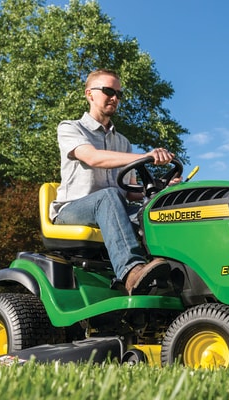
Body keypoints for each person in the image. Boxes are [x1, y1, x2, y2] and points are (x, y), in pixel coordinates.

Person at [49, 69, 177, 295]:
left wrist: (161, 189)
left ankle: (172, 276)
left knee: (154, 212)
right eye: (108, 91)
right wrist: (146, 156)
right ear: (89, 94)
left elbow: (130, 192)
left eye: (119, 94)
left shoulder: (123, 142)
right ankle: (131, 272)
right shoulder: (70, 128)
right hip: (72, 211)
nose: (115, 98)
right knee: (108, 196)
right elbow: (92, 157)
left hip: (114, 207)